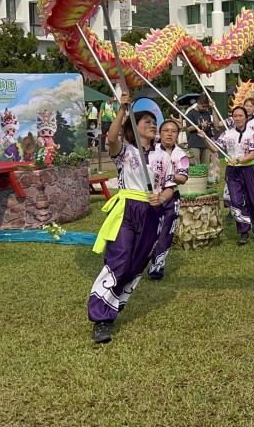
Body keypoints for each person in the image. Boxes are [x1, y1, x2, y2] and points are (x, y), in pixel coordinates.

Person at [88, 93, 176, 344]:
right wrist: (121, 111)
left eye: (152, 121)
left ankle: (115, 303)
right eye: (144, 121)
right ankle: (101, 319)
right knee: (119, 259)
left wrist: (163, 198)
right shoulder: (125, 152)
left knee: (137, 264)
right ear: (134, 128)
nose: (150, 124)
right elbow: (112, 139)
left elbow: (170, 186)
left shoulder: (164, 156)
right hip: (127, 209)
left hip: (152, 212)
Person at [201, 105, 254, 244]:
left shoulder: (252, 133)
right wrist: (204, 138)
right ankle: (243, 231)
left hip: (249, 170)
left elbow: (253, 154)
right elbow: (215, 148)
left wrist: (239, 160)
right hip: (233, 172)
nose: (237, 118)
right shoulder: (227, 134)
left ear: (246, 117)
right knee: (236, 202)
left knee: (253, 201)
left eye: (240, 115)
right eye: (235, 116)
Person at [148, 120, 189, 281]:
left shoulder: (181, 154)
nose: (169, 134)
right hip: (152, 196)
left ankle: (157, 267)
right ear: (160, 133)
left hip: (171, 198)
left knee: (166, 232)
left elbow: (183, 177)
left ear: (177, 135)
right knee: (149, 231)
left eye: (173, 131)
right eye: (166, 130)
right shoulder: (152, 151)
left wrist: (168, 177)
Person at [183, 97, 216, 165]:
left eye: (206, 106)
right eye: (203, 106)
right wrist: (200, 125)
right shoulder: (191, 113)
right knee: (195, 166)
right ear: (198, 104)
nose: (204, 108)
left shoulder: (207, 113)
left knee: (206, 166)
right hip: (194, 144)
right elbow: (188, 128)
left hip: (206, 144)